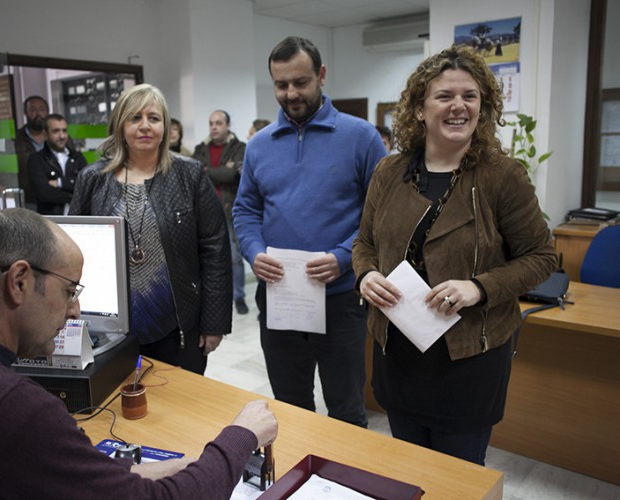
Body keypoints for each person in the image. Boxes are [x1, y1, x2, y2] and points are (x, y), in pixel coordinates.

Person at [0, 208, 278, 498]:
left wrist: (135, 472)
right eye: (70, 291)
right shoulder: (13, 409)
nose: (76, 311)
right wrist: (240, 436)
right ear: (20, 282)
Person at [352, 44, 556, 465]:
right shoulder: (389, 173)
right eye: (444, 96)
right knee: (410, 471)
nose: (458, 106)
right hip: (399, 352)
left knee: (458, 480)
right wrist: (365, 276)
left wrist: (478, 288)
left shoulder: (503, 176)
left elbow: (541, 257)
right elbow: (364, 244)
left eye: (470, 96)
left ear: (483, 108)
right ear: (420, 109)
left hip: (469, 359)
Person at [233, 36, 388, 428]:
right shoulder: (259, 146)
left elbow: (383, 215)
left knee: (346, 410)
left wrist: (343, 256)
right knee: (288, 406)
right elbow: (246, 209)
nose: (290, 93)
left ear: (321, 75)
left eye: (300, 82)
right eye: (281, 84)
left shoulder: (361, 137)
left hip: (340, 301)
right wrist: (253, 252)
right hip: (280, 298)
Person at [69, 84, 232, 375]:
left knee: (180, 407)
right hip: (110, 329)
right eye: (135, 118)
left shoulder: (190, 175)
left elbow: (215, 250)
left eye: (154, 118)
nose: (145, 126)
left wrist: (214, 323)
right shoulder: (92, 179)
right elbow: (72, 251)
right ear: (120, 125)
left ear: (166, 126)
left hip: (178, 325)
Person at [192, 110, 248, 315]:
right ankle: (212, 297)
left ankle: (239, 297)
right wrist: (219, 170)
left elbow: (233, 174)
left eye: (218, 123)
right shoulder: (201, 148)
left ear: (228, 125)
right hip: (205, 211)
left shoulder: (239, 147)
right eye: (211, 123)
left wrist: (208, 170)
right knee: (206, 257)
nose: (214, 127)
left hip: (229, 209)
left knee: (234, 257)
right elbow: (195, 173)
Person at [27, 113, 87, 215]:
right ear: (45, 134)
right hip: (51, 221)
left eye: (64, 130)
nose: (62, 136)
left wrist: (60, 183)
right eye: (56, 131)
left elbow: (86, 187)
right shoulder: (36, 160)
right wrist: (74, 195)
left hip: (79, 218)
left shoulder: (77, 157)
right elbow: (44, 194)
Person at [15, 95, 50, 209]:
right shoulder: (16, 139)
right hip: (29, 199)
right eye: (33, 110)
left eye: (41, 109)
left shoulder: (59, 136)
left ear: (47, 112)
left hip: (55, 198)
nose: (38, 114)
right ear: (26, 113)